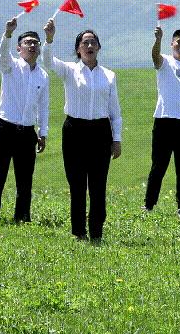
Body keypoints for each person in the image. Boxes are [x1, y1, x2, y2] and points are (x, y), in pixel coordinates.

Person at [43, 18, 122, 242]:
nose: (89, 46)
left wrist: (117, 139)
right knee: (77, 184)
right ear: (78, 49)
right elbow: (48, 61)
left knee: (98, 184)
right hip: (74, 131)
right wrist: (49, 39)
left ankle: (96, 230)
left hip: (100, 131)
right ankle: (79, 231)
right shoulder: (69, 70)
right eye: (85, 43)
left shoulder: (109, 75)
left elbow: (115, 110)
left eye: (93, 42)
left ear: (98, 47)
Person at [0, 17, 49, 224]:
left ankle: (22, 216)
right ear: (19, 48)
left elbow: (43, 106)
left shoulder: (43, 76)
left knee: (25, 178)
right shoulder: (10, 66)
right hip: (5, 127)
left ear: (39, 49)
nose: (32, 45)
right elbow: (3, 54)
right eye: (27, 42)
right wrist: (8, 33)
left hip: (27, 131)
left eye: (35, 43)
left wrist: (42, 133)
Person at [143, 27, 180, 218]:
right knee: (158, 166)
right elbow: (155, 56)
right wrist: (158, 39)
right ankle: (149, 204)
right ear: (172, 44)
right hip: (164, 121)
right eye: (179, 42)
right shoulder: (165, 62)